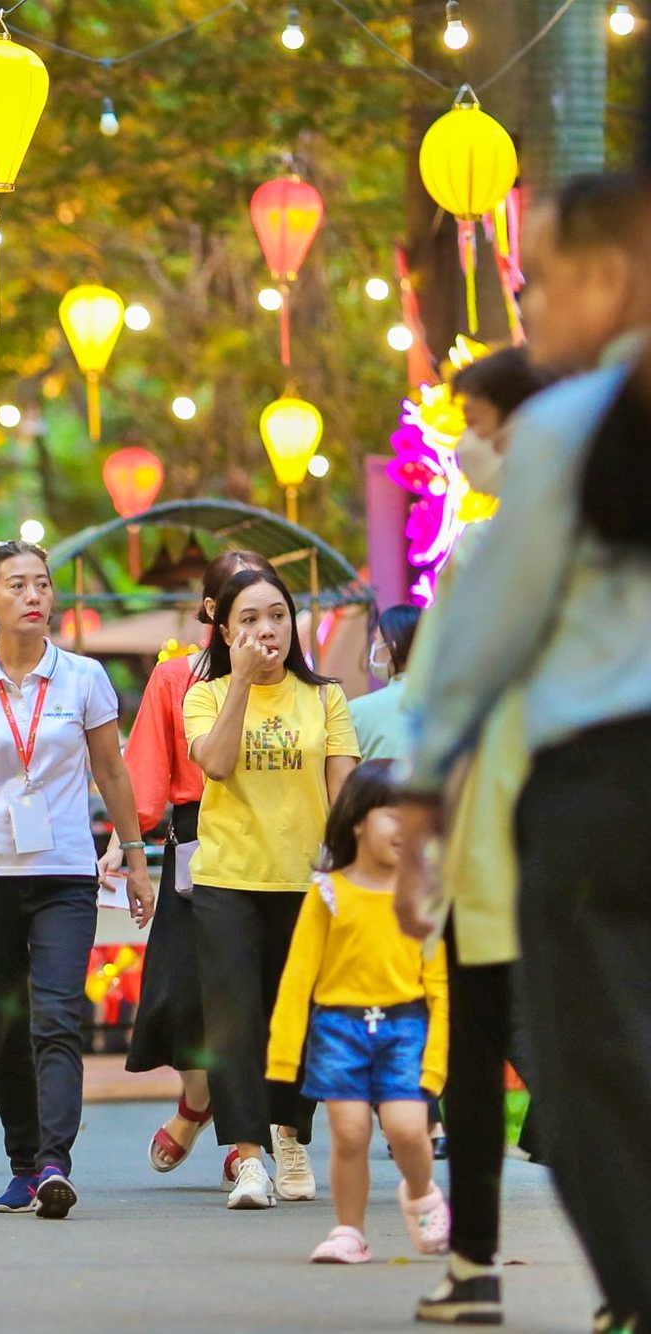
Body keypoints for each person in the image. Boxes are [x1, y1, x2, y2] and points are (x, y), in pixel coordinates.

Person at [399, 172, 651, 1331]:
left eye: (538, 281)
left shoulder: (572, 426)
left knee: (593, 1067)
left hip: (600, 790)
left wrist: (422, 783)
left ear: (608, 277)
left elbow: (477, 641)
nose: (526, 304)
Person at [0, 540, 155, 1220]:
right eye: (16, 585)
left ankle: (55, 1162)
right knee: (3, 1022)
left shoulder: (83, 678)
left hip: (65, 872)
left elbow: (112, 773)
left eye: (42, 584)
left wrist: (133, 859)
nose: (33, 596)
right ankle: (23, 1161)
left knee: (55, 1018)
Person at [395, 343, 555, 1327]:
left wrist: (415, 836)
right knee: (598, 1046)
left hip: (495, 841)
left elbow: (434, 707)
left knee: (478, 1043)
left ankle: (473, 1263)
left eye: (471, 420)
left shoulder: (482, 555)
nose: (461, 441)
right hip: (594, 837)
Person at [183, 564, 359, 1211]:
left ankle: (290, 1134)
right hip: (228, 879)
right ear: (225, 631)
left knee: (301, 1018)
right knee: (234, 1023)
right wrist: (240, 688)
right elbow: (219, 763)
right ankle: (249, 1158)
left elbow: (344, 794)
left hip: (306, 882)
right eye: (249, 620)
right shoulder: (202, 697)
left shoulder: (326, 698)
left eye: (277, 616)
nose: (266, 631)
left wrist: (350, 871)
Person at [104, 549, 268, 1188]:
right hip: (196, 841)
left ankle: (245, 1131)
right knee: (181, 994)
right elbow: (145, 765)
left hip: (271, 841)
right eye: (238, 598)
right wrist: (127, 838)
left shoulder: (297, 684)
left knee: (254, 995)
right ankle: (199, 1099)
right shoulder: (177, 679)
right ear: (213, 611)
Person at [267, 760, 449, 1264]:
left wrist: (437, 1059)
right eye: (394, 815)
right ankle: (350, 1230)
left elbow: (439, 987)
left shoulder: (423, 895)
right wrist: (283, 1058)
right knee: (348, 1132)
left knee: (408, 1129)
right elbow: (298, 977)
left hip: (405, 1028)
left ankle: (421, 1193)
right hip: (338, 1028)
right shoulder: (327, 892)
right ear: (358, 821)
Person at [349, 605, 421, 764]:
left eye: (377, 640)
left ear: (391, 648)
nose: (373, 648)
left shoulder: (355, 712)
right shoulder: (452, 706)